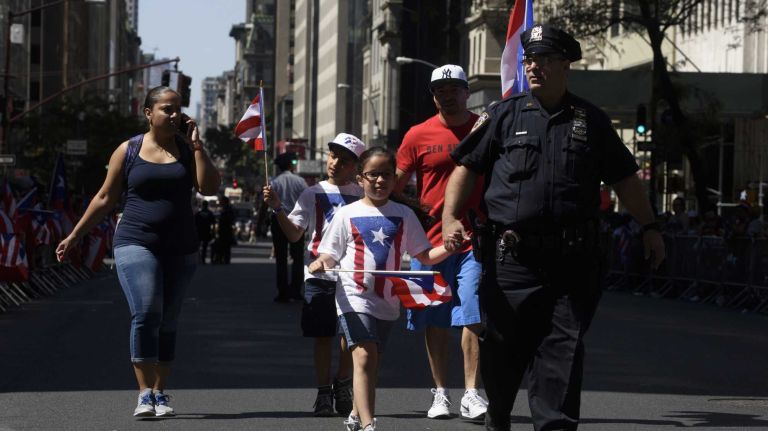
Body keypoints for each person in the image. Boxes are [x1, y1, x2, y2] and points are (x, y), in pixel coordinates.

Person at [442, 24, 666, 431]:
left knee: (560, 350)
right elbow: (465, 167)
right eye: (530, 59)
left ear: (566, 65)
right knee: (504, 349)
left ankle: (554, 426)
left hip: (571, 260)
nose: (534, 67)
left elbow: (626, 180)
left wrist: (649, 226)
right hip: (511, 259)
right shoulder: (503, 114)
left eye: (545, 59)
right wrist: (450, 216)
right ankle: (499, 415)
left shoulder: (591, 121)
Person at [55, 86, 220, 417]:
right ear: (148, 113)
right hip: (135, 241)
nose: (175, 115)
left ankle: (161, 392)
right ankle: (145, 393)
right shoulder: (128, 150)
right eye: (166, 109)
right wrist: (74, 235)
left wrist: (198, 145)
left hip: (181, 247)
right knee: (147, 312)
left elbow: (209, 187)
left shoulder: (188, 151)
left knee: (169, 321)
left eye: (178, 109)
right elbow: (104, 198)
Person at [308, 147, 454, 431]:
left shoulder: (404, 215)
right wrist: (320, 263)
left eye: (386, 175)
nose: (379, 180)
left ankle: (354, 413)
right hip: (353, 297)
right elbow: (329, 254)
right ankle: (368, 425)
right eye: (373, 174)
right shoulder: (346, 214)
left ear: (394, 179)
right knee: (364, 356)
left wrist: (448, 248)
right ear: (361, 178)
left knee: (372, 364)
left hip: (387, 302)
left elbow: (424, 255)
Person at [395, 64, 488, 420]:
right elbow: (396, 185)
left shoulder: (484, 129)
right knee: (435, 320)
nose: (447, 95)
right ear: (433, 96)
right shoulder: (417, 135)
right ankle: (440, 393)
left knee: (471, 314)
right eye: (440, 90)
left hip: (474, 240)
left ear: (466, 91)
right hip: (430, 246)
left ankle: (471, 393)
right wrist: (415, 221)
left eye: (454, 88)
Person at [263, 133, 365, 417]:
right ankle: (323, 392)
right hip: (319, 276)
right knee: (323, 336)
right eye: (333, 157)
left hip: (352, 275)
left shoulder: (362, 194)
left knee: (349, 336)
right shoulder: (312, 193)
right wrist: (277, 208)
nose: (335, 164)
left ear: (355, 167)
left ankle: (342, 383)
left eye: (344, 161)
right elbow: (295, 233)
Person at [270, 151, 308, 302]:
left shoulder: (274, 182)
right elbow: (307, 202)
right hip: (297, 221)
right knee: (298, 258)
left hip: (278, 220)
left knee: (281, 257)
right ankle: (296, 290)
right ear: (290, 166)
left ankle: (283, 292)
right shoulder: (300, 182)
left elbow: (267, 203)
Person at [216, 195, 235, 264]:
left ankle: (225, 259)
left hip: (226, 230)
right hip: (224, 230)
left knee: (225, 246)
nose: (220, 202)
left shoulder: (227, 210)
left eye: (221, 201)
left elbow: (230, 219)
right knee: (224, 246)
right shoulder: (225, 209)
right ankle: (222, 259)